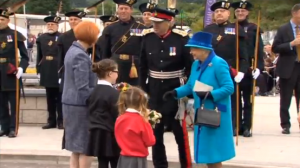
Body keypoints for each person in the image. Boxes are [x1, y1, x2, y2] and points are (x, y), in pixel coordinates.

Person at [164, 31, 235, 168]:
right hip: (202, 112)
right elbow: (191, 85)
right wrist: (175, 92)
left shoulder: (218, 63)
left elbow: (228, 87)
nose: (191, 52)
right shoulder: (196, 64)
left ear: (204, 49)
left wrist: (211, 95)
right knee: (206, 150)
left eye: (193, 48)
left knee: (214, 152)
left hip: (215, 112)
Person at [139, 7, 194, 168]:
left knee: (179, 133)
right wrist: (144, 89)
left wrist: (187, 89)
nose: (155, 25)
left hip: (175, 90)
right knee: (155, 132)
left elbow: (190, 67)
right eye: (153, 22)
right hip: (155, 90)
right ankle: (160, 165)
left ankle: (185, 164)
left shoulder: (181, 39)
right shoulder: (147, 38)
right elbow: (142, 66)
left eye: (159, 23)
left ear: (169, 22)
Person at [202, 0, 249, 136]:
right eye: (216, 11)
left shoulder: (236, 28)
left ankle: (232, 126)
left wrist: (242, 70)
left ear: (228, 14)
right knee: (209, 98)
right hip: (210, 69)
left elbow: (243, 52)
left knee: (231, 101)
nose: (219, 13)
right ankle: (209, 124)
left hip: (229, 70)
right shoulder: (208, 29)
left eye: (222, 11)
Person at [61, 21, 99, 168]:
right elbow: (83, 87)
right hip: (80, 106)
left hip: (71, 104)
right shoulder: (80, 56)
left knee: (75, 148)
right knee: (85, 147)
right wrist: (97, 96)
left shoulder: (73, 50)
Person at [231, 0, 264, 137]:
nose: (240, 13)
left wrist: (258, 67)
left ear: (248, 12)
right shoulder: (230, 28)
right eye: (238, 11)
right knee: (235, 100)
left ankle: (247, 127)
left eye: (243, 11)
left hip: (249, 69)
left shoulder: (254, 28)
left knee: (248, 100)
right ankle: (236, 125)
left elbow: (259, 50)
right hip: (235, 69)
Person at [100, 0, 145, 86]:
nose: (123, 11)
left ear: (131, 10)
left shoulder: (141, 28)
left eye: (126, 8)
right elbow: (105, 50)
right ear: (117, 10)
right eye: (121, 8)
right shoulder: (110, 28)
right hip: (115, 65)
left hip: (134, 66)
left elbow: (144, 49)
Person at [0, 8, 29, 138]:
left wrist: (22, 68)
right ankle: (4, 127)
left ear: (8, 20)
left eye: (2, 19)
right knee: (1, 103)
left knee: (13, 102)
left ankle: (13, 128)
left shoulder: (15, 34)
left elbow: (25, 56)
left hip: (10, 71)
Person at [86, 59, 120, 168]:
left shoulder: (93, 91)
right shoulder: (113, 93)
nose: (117, 75)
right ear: (110, 73)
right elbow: (117, 115)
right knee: (116, 162)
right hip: (110, 133)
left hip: (96, 132)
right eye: (117, 72)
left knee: (102, 163)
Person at [272, 3, 300, 134]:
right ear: (295, 13)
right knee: (286, 98)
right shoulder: (283, 29)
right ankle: (285, 124)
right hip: (288, 67)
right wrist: (291, 44)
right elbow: (275, 48)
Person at [115, 87, 156, 168]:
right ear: (142, 103)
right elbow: (150, 141)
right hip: (138, 159)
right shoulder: (142, 120)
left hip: (123, 157)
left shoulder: (119, 118)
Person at [36, 15, 63, 130]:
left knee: (60, 97)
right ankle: (51, 121)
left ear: (57, 25)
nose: (50, 26)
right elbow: (39, 55)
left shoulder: (62, 37)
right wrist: (38, 69)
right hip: (47, 68)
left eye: (53, 24)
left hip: (57, 68)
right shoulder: (42, 38)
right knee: (49, 97)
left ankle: (61, 121)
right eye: (48, 24)